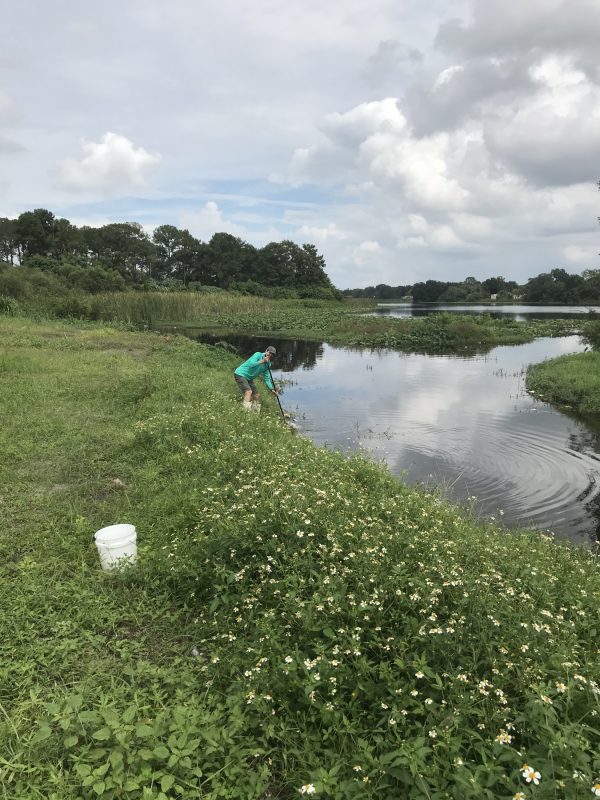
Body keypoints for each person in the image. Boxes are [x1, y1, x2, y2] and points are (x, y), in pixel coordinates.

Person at [234, 345, 279, 412]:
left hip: (249, 378)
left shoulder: (268, 364)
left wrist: (272, 389)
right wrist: (262, 361)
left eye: (272, 354)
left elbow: (266, 378)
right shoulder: (258, 354)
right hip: (240, 374)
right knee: (248, 392)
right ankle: (245, 412)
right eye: (270, 353)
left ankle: (255, 412)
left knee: (257, 395)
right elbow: (251, 364)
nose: (270, 355)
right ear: (266, 351)